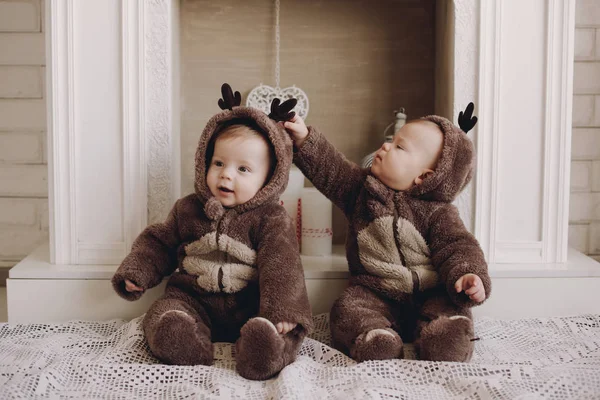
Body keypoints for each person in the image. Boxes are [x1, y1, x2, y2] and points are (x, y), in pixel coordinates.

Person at [112, 84, 313, 380]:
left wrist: (281, 311)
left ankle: (265, 348)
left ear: (269, 179)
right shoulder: (188, 208)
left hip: (251, 303)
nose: (226, 174)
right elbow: (159, 242)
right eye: (218, 163)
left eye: (243, 169)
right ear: (204, 162)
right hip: (194, 299)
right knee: (164, 313)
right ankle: (180, 338)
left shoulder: (271, 217)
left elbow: (282, 265)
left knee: (282, 330)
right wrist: (137, 272)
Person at [284, 103, 490, 362]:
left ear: (424, 177)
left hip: (431, 291)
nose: (385, 146)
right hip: (375, 291)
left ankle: (444, 337)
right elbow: (331, 168)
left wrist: (468, 274)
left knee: (448, 307)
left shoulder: (439, 213)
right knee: (349, 309)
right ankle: (375, 336)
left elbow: (458, 247)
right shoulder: (361, 191)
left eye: (399, 147)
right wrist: (304, 138)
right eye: (391, 141)